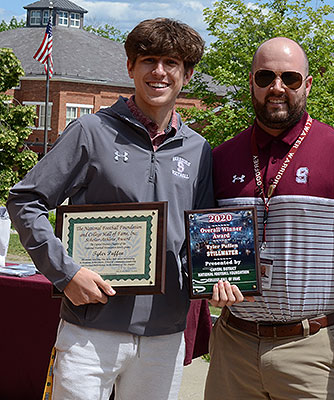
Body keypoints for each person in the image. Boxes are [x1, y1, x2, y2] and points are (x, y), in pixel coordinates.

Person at [7, 18, 213, 400]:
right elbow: (25, 200)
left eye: (172, 62)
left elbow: (202, 235)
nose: (159, 72)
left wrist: (217, 279)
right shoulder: (90, 131)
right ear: (130, 66)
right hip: (91, 327)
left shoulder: (199, 150)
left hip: (164, 333)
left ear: (187, 73)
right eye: (148, 60)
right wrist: (65, 273)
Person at [206, 37, 334, 400]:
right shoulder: (221, 157)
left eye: (290, 78)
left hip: (312, 348)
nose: (277, 88)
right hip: (234, 343)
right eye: (265, 77)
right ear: (251, 82)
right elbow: (205, 244)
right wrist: (212, 284)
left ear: (306, 85)